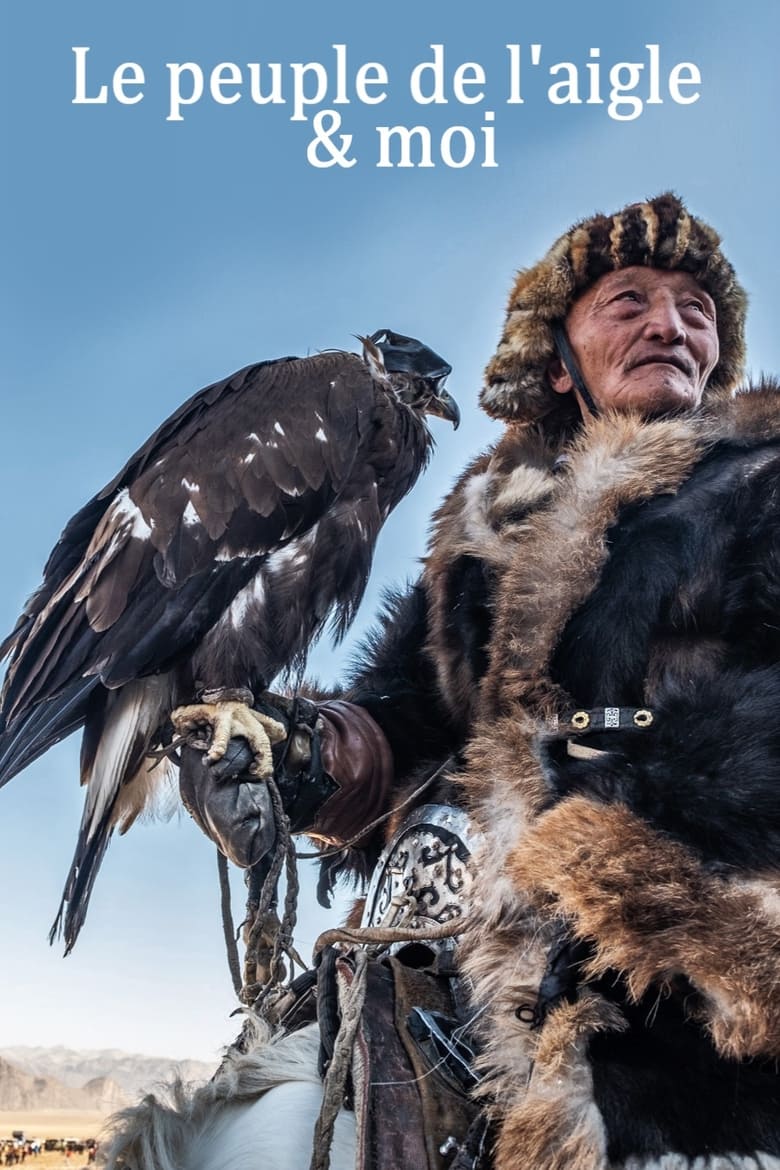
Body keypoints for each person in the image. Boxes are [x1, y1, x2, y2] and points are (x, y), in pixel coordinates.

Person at [106, 193, 780, 1170]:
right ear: (558, 360)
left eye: (696, 309)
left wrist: (626, 788)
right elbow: (407, 729)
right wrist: (300, 754)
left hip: (716, 997)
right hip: (489, 977)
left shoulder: (764, 482)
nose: (670, 323)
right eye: (628, 299)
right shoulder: (488, 538)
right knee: (249, 1138)